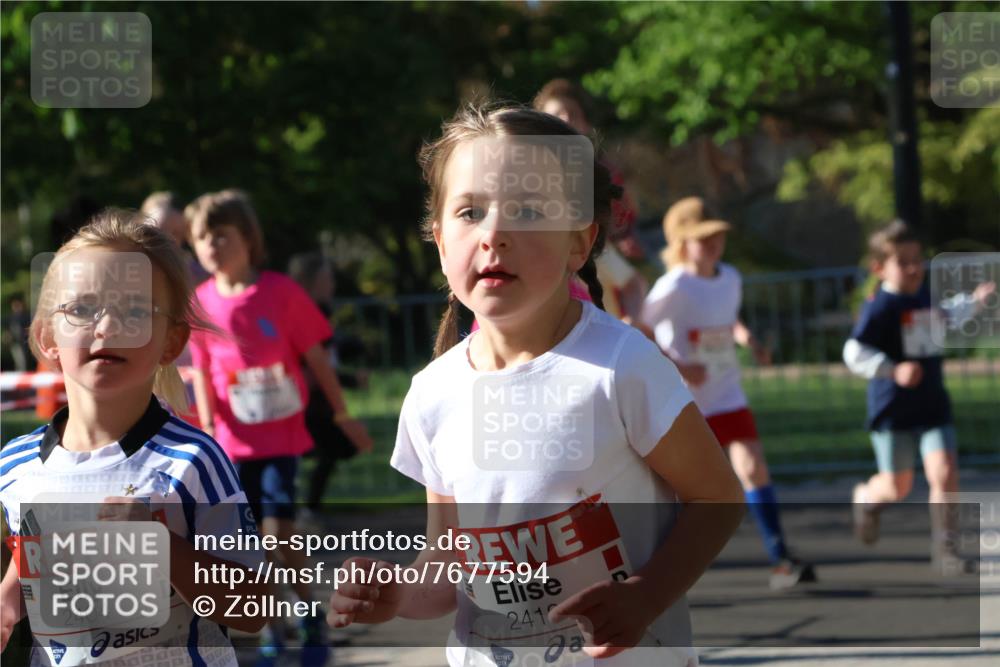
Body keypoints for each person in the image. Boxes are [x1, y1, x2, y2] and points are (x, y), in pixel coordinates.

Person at [326, 103, 745, 667]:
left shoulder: (620, 366)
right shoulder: (432, 394)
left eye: (527, 209)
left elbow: (718, 498)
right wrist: (397, 595)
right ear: (439, 238)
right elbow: (448, 569)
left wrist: (647, 595)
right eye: (470, 211)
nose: (494, 233)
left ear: (580, 242)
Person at [0, 210, 268, 666]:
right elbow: (30, 563)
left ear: (171, 341)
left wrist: (162, 545)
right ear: (47, 337)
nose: (107, 327)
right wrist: (8, 603)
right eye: (82, 309)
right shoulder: (15, 466)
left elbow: (254, 608)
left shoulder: (193, 459)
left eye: (135, 311)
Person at [185, 189, 372, 666]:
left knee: (279, 532)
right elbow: (202, 372)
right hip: (230, 443)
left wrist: (342, 414)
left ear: (248, 239)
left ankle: (309, 614)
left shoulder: (281, 294)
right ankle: (272, 626)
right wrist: (206, 430)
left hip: (280, 439)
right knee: (246, 544)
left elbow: (317, 359)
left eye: (220, 236)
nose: (210, 247)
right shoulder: (201, 302)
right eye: (201, 238)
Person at [642, 197, 816, 590]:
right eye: (703, 237)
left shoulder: (731, 277)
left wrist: (747, 337)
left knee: (753, 468)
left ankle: (780, 559)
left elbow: (726, 317)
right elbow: (639, 329)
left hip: (726, 391)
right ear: (682, 243)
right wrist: (681, 365)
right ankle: (660, 570)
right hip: (684, 400)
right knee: (676, 490)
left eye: (717, 235)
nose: (714, 243)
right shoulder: (673, 286)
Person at [843, 220, 994, 574]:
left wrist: (975, 302)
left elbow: (948, 314)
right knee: (898, 486)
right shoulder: (879, 308)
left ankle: (947, 549)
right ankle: (866, 499)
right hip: (892, 409)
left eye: (918, 259)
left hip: (931, 405)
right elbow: (854, 352)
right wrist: (891, 370)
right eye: (903, 261)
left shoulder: (925, 296)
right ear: (880, 268)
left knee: (945, 472)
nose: (914, 268)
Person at [533, 79, 650, 331]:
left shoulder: (605, 182)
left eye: (572, 113)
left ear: (585, 125)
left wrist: (632, 324)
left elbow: (633, 281)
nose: (565, 118)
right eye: (555, 114)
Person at [287, 251, 373, 516]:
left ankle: (305, 508)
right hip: (305, 398)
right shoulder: (303, 312)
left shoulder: (317, 311)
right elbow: (316, 363)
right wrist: (350, 379)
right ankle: (301, 510)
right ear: (313, 280)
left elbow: (328, 353)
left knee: (335, 448)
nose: (333, 284)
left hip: (316, 397)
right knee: (337, 446)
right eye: (328, 278)